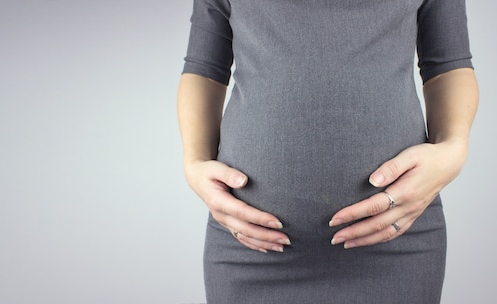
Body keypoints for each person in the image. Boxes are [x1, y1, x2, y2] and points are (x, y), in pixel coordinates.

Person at [177, 0, 479, 303]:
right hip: (249, 248)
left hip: (397, 240)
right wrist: (194, 162)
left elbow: (447, 64)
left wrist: (454, 147)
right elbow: (204, 69)